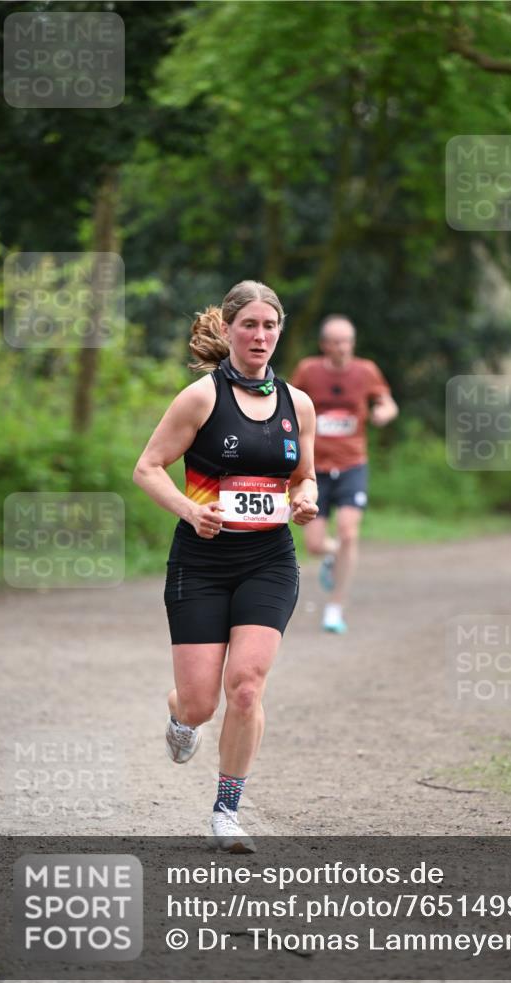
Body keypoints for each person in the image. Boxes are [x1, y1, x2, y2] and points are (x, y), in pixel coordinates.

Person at [133, 281, 318, 852]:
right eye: (249, 325)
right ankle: (180, 714)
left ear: (280, 331)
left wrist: (307, 499)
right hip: (201, 562)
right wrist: (191, 511)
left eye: (269, 326)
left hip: (269, 560)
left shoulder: (298, 404)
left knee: (246, 687)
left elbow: (305, 476)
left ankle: (226, 811)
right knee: (200, 703)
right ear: (229, 330)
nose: (260, 336)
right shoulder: (200, 399)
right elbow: (148, 467)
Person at [290, 314, 398, 634]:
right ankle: (334, 555)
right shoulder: (308, 370)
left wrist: (383, 412)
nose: (342, 347)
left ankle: (335, 608)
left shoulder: (366, 371)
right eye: (336, 342)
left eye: (347, 341)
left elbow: (388, 403)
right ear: (324, 345)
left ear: (353, 343)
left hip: (352, 464)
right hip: (315, 468)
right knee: (314, 544)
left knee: (349, 532)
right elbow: (286, 402)